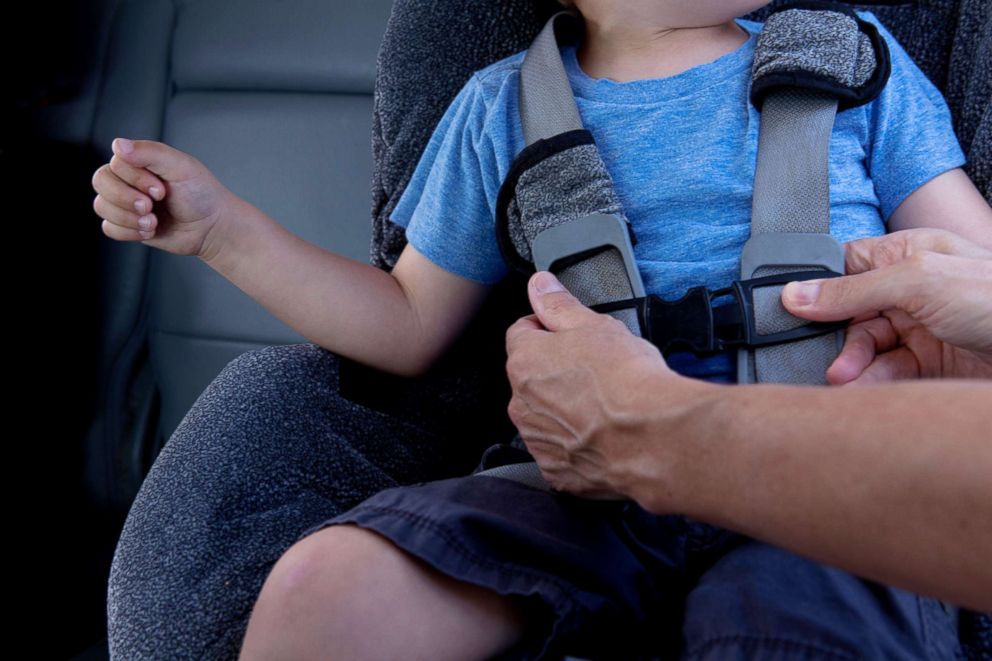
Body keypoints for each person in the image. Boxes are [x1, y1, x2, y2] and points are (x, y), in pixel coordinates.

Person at [90, 0, 989, 658]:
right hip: (583, 471)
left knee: (775, 634)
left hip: (825, 469)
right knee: (326, 587)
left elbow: (972, 272)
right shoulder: (501, 108)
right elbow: (406, 324)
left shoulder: (852, 60)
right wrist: (226, 234)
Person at [505, 228, 992, 613]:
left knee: (791, 609)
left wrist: (642, 424)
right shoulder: (495, 114)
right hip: (573, 497)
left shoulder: (884, 104)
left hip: (817, 521)